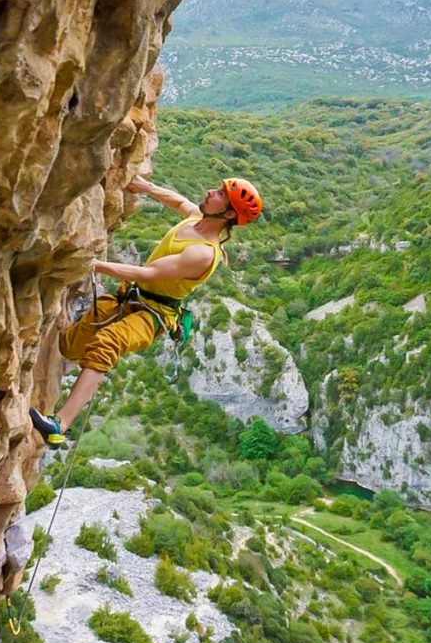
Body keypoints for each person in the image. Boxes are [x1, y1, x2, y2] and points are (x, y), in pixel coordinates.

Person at [29, 175, 263, 447]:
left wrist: (93, 264)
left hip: (153, 314)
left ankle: (60, 424)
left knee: (108, 342)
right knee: (69, 347)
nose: (211, 191)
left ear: (230, 213)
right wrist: (144, 187)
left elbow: (148, 272)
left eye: (220, 194)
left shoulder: (204, 253)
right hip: (129, 298)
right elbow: (178, 201)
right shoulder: (194, 219)